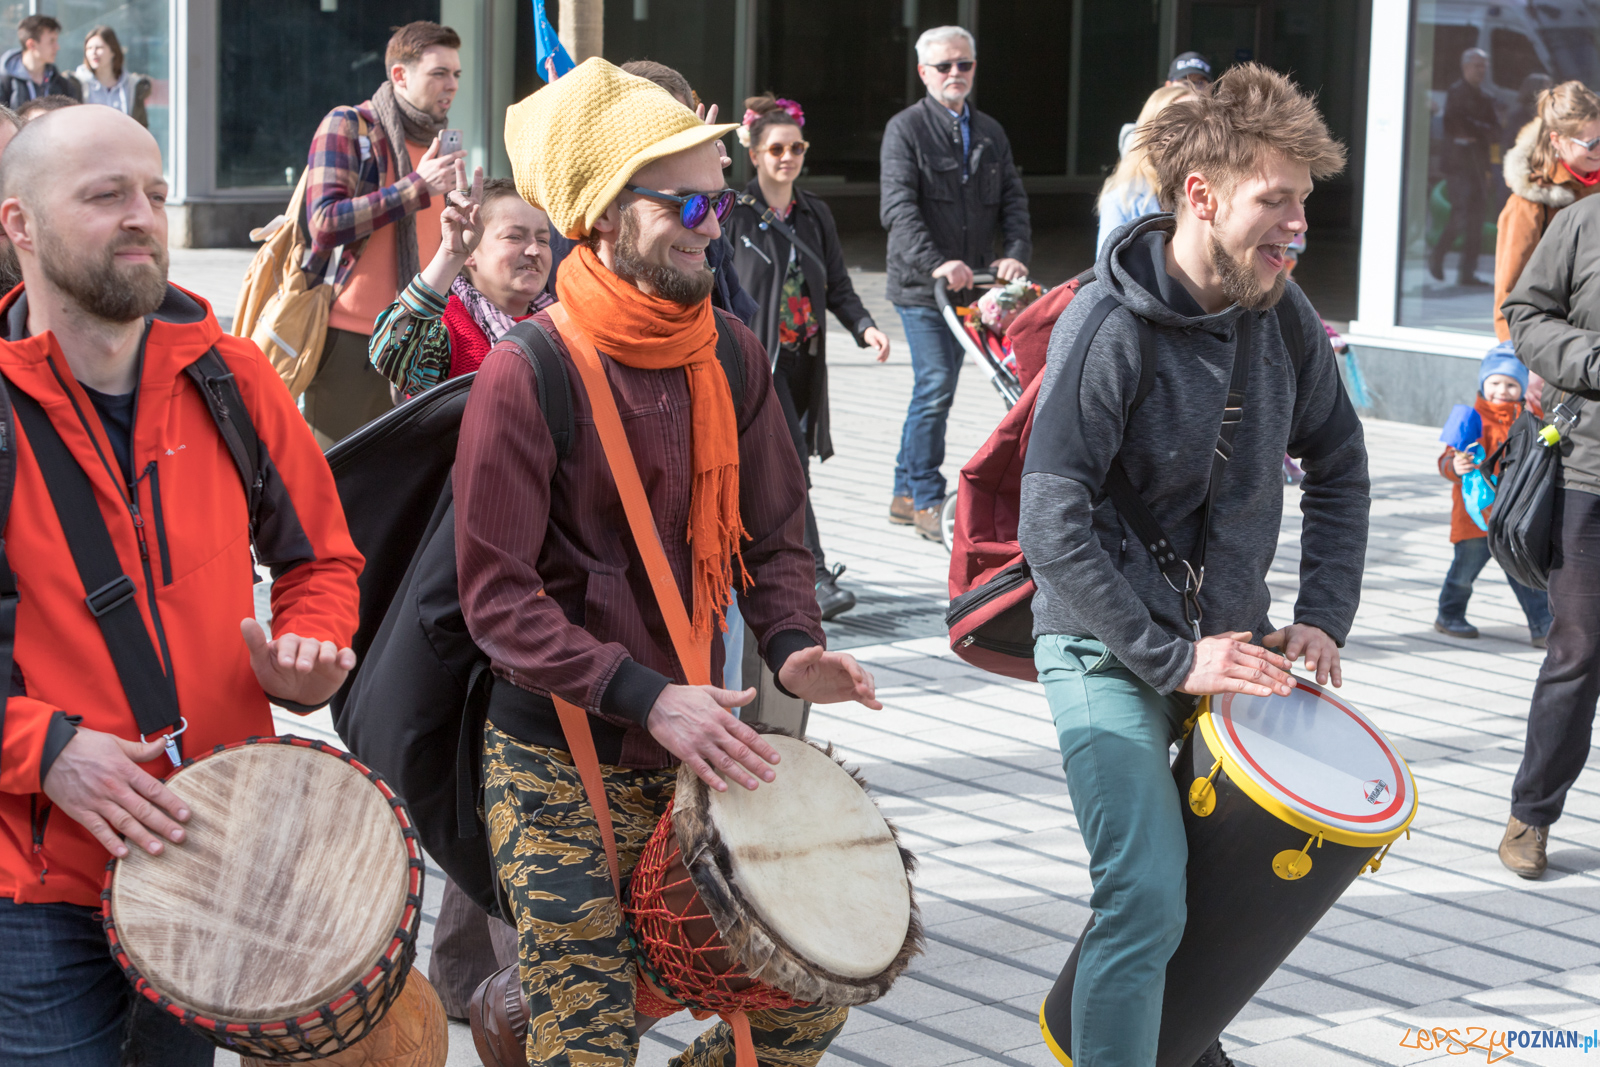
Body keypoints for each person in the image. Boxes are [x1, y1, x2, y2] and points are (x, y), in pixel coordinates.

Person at [465, 57, 880, 1066]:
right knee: (590, 1037)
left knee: (804, 999)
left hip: (698, 740)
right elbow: (497, 600)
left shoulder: (732, 351)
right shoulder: (528, 370)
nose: (712, 220)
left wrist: (791, 644)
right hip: (555, 757)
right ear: (604, 214)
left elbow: (781, 534)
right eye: (688, 199)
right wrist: (647, 692)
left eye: (721, 198)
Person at [1017, 64, 1365, 1067]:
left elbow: (1340, 462)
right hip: (1102, 647)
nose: (1296, 226)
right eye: (1277, 199)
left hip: (1229, 647)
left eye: (1305, 201)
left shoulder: (1281, 313)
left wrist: (1321, 611)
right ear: (1202, 196)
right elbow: (1051, 520)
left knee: (1224, 887)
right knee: (1141, 892)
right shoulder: (1108, 324)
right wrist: (1170, 660)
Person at [0, 106, 362, 1067]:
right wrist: (46, 750)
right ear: (19, 226)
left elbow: (321, 560)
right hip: (29, 884)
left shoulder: (233, 377)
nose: (142, 216)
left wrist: (311, 654)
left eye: (155, 194)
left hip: (211, 851)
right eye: (105, 195)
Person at [726, 94, 890, 621]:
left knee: (776, 468)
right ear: (754, 153)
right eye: (776, 148)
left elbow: (838, 285)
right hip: (757, 363)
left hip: (803, 362)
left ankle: (775, 572)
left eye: (796, 147)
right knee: (791, 464)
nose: (787, 157)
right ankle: (814, 575)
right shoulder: (735, 214)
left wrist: (865, 328)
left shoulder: (815, 213)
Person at [881, 24, 1031, 540]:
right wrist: (937, 262)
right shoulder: (905, 130)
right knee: (936, 384)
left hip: (974, 288)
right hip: (923, 287)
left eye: (963, 64)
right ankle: (925, 495)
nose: (954, 74)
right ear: (924, 72)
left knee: (936, 387)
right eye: (943, 66)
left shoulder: (989, 131)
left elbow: (1013, 198)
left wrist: (1015, 254)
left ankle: (903, 493)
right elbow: (897, 208)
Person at [302, 20, 466, 445]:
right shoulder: (349, 126)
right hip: (351, 339)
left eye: (456, 74)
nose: (451, 85)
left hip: (424, 337)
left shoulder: (437, 145)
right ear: (400, 75)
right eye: (439, 73)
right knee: (338, 481)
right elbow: (324, 221)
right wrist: (417, 187)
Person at [1500, 191, 1600, 879]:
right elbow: (1525, 314)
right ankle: (1530, 813)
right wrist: (1591, 358)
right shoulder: (1584, 221)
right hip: (1590, 471)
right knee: (1579, 647)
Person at [543, 59, 761, 330]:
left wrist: (706, 189)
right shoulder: (545, 353)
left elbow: (731, 298)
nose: (711, 229)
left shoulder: (738, 345)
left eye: (684, 127)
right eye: (659, 129)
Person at [369, 170, 554, 397]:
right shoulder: (448, 327)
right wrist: (450, 254)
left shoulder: (563, 325)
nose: (534, 250)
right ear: (471, 251)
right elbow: (390, 354)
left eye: (543, 240)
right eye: (514, 236)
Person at [1434, 343, 1551, 644]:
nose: (1502, 390)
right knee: (1464, 571)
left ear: (1523, 387)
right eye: (1495, 382)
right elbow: (1445, 461)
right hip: (1475, 517)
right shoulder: (1470, 419)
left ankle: (1543, 626)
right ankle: (1449, 614)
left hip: (1513, 516)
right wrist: (1455, 466)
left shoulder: (1529, 420)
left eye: (1512, 384)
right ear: (1483, 383)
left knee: (1522, 571)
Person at [1494, 81, 1600, 342]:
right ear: (1557, 140)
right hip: (1557, 352)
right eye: (1591, 143)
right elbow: (1510, 294)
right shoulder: (1530, 203)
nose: (1599, 149)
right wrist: (1519, 361)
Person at [1098, 84, 1200, 252]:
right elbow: (1107, 271)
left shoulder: (1220, 191)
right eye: (1181, 123)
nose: (1194, 134)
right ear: (1152, 133)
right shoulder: (1122, 199)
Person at [1431, 48, 1499, 287]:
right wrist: (1478, 130)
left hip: (1479, 167)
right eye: (1477, 66)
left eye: (1484, 66)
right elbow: (1457, 125)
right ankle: (1437, 256)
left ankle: (1467, 273)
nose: (1481, 71)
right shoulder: (1456, 93)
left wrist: (1477, 132)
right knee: (1460, 216)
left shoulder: (1486, 97)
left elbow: (1494, 130)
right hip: (1459, 166)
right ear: (1466, 67)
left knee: (1476, 221)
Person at [1118, 51, 1213, 158]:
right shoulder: (1136, 133)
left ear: (1210, 89)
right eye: (1185, 82)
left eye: (1200, 83)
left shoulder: (1217, 130)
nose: (1193, 89)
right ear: (1168, 86)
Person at [71, 25, 151, 128]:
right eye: (89, 48)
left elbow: (141, 127)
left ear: (113, 51)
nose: (93, 52)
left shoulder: (132, 85)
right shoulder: (76, 83)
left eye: (99, 47)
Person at [0, 16, 81, 110]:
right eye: (51, 41)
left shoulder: (62, 84)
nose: (57, 47)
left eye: (56, 40)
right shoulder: (4, 82)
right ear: (32, 44)